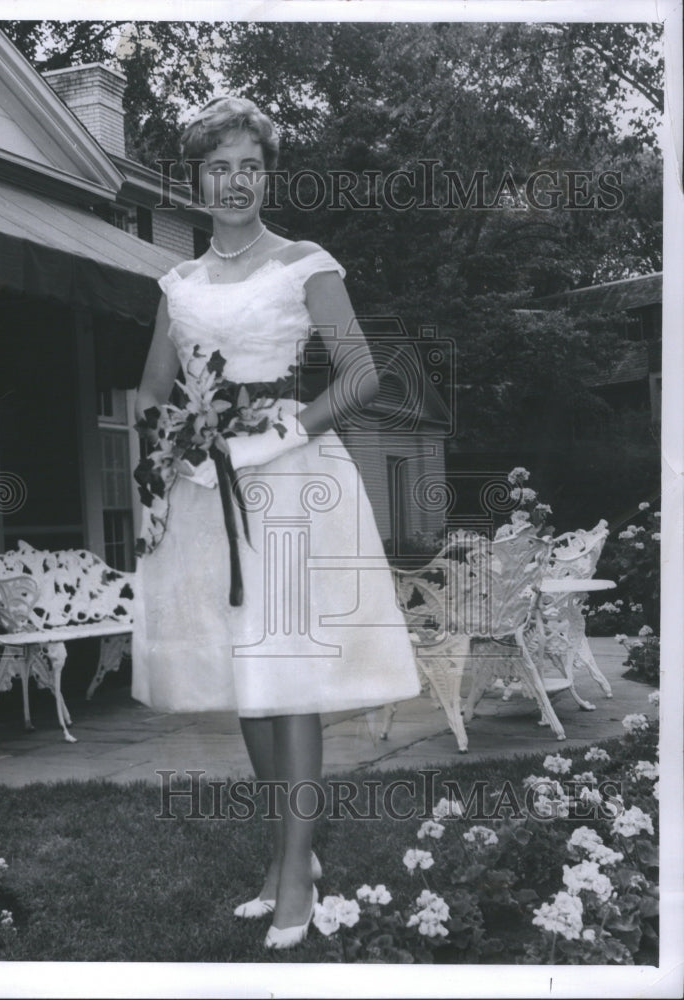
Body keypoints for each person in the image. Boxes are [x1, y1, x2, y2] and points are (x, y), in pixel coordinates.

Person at [131, 96, 420, 950]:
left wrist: (278, 434)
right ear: (197, 180)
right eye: (217, 166)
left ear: (266, 174)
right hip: (201, 493)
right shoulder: (175, 284)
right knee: (247, 688)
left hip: (292, 488)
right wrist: (158, 461)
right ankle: (284, 853)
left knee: (286, 679)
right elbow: (152, 387)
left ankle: (295, 869)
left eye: (247, 166)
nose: (233, 181)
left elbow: (365, 374)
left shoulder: (303, 264)